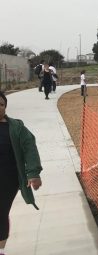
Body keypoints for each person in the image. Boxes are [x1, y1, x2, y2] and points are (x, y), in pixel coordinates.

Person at [0, 91, 42, 254]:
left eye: (2, 104)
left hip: (7, 178)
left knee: (1, 211)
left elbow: (29, 149)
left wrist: (33, 173)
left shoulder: (16, 127)